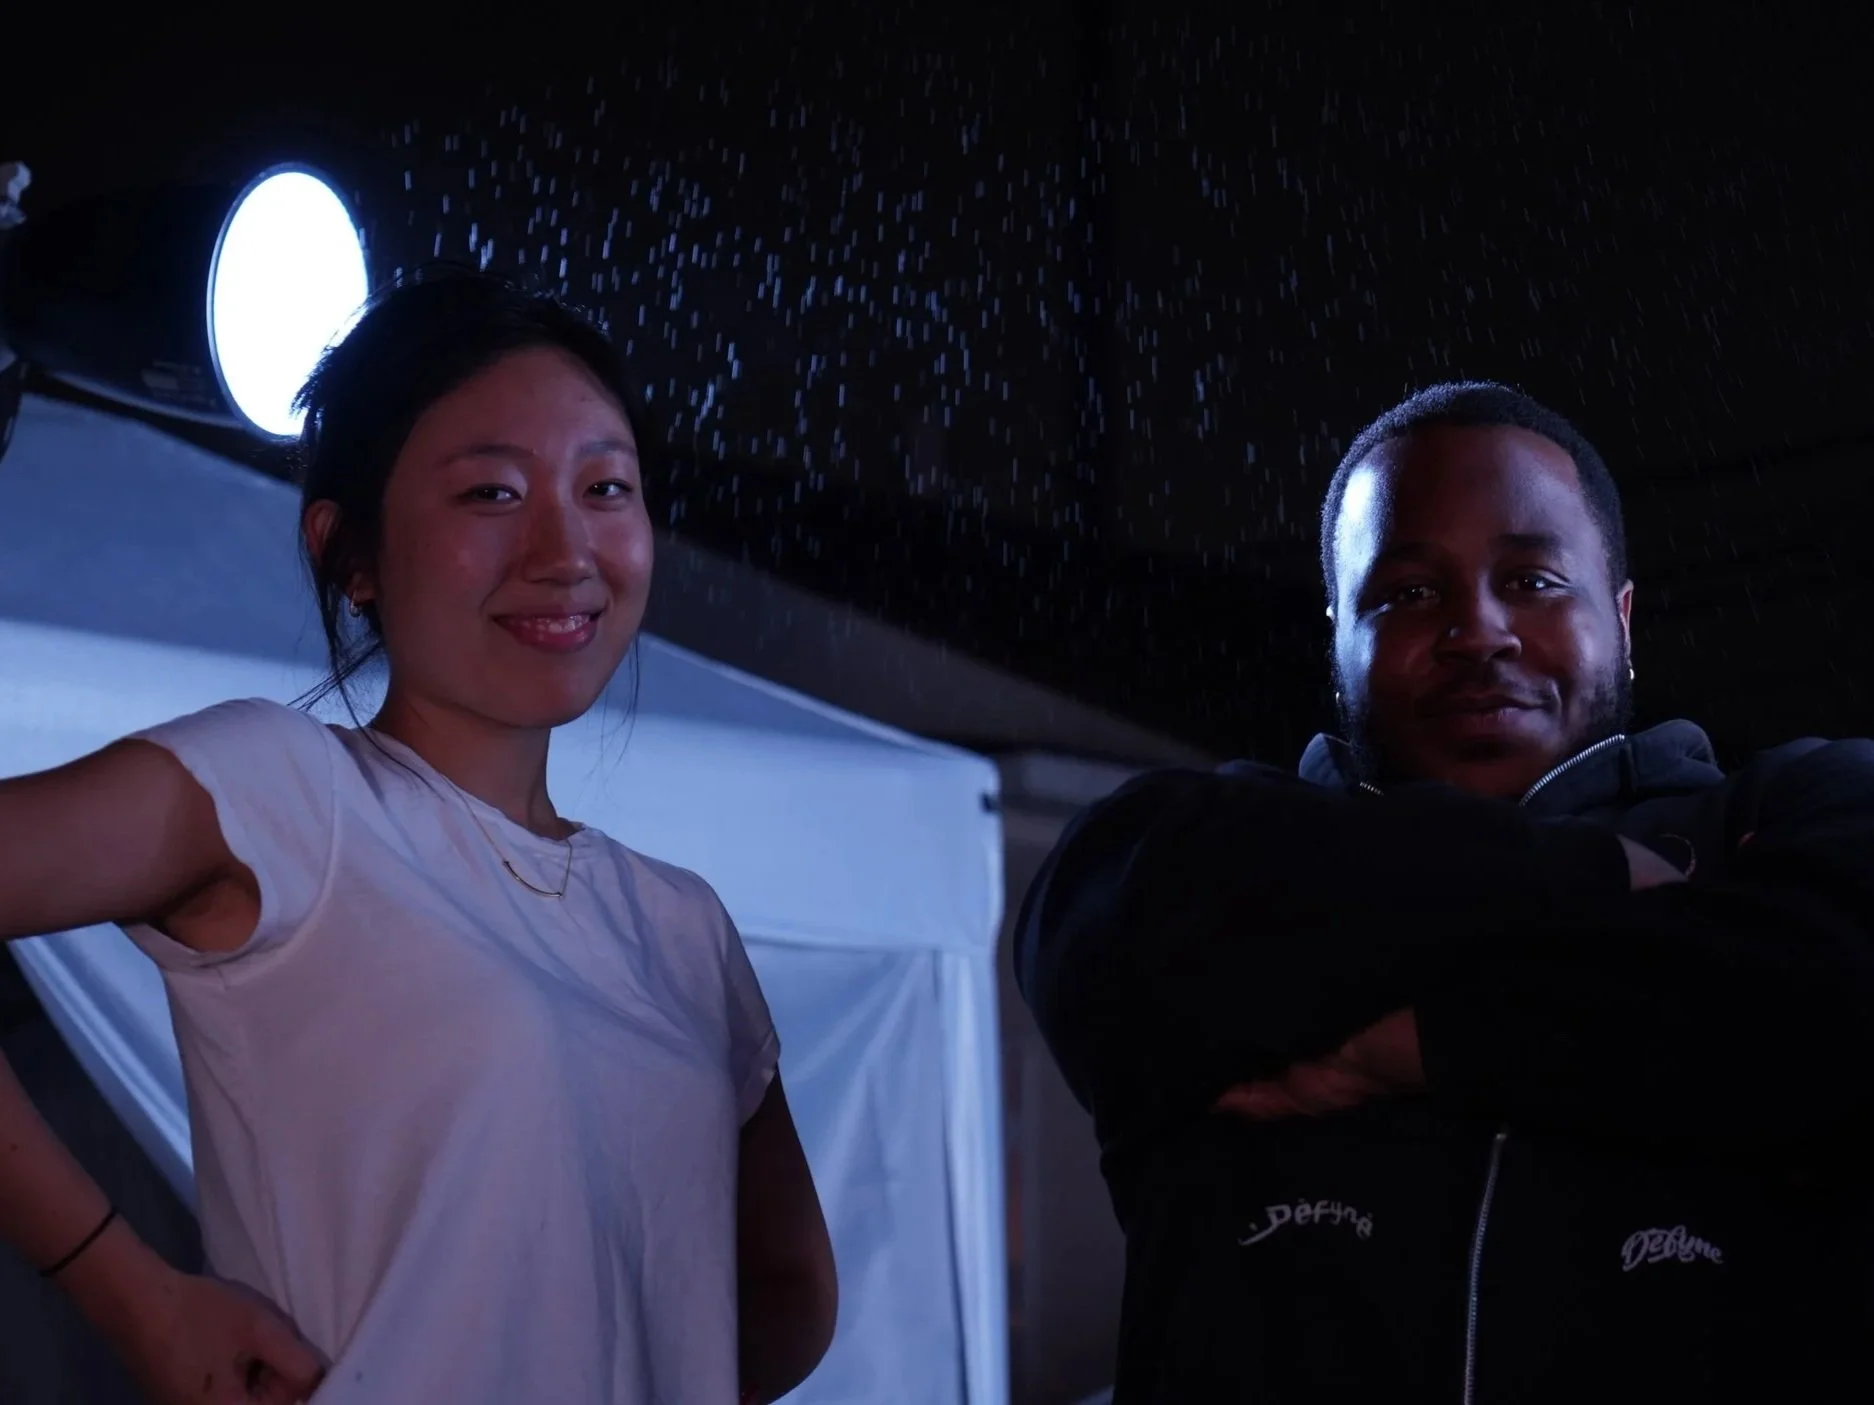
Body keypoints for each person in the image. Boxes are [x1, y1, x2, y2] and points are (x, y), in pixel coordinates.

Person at [0, 268, 838, 1404]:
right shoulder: (283, 790)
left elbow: (791, 1282)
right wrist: (133, 1295)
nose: (564, 548)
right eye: (492, 493)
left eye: (605, 486)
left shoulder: (679, 921)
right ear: (348, 555)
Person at [1014, 381, 1874, 1404]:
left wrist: (1419, 1044)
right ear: (1336, 636)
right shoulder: (1180, 851)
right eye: (1409, 593)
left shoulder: (1799, 808)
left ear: (1623, 618)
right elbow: (1101, 940)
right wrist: (1601, 887)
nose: (1477, 629)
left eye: (1534, 579)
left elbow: (1833, 1003)